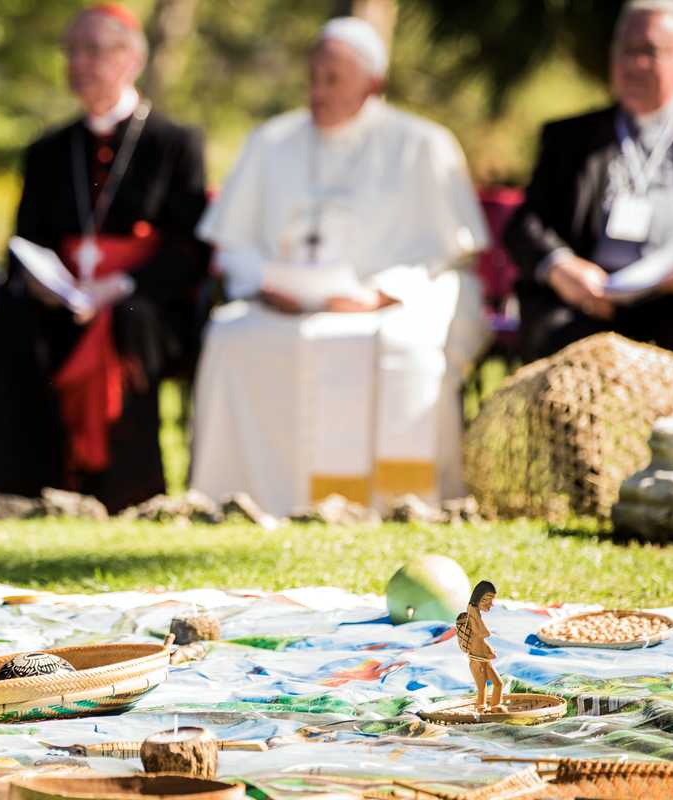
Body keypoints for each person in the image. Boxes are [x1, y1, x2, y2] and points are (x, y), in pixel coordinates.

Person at [190, 17, 489, 518]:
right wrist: (264, 283)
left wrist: (383, 294)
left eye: (333, 79)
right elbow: (233, 247)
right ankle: (244, 501)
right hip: (287, 306)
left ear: (372, 83)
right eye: (313, 77)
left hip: (390, 302)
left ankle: (400, 505)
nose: (317, 91)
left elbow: (451, 253)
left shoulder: (421, 144)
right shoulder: (272, 141)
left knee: (407, 347)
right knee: (230, 334)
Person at [0, 4, 210, 513]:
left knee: (127, 321)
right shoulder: (48, 150)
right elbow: (25, 242)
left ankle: (126, 493)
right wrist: (39, 283)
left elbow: (190, 247)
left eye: (93, 50)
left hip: (142, 300)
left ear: (133, 58)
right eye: (72, 51)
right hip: (64, 297)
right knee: (11, 324)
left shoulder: (175, 142)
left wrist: (117, 286)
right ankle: (19, 492)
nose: (79, 62)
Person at [506, 0, 673, 374]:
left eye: (648, 51)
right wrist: (561, 268)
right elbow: (525, 224)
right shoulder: (569, 139)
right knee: (562, 353)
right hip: (588, 302)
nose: (632, 64)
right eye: (623, 49)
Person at [455, 581, 503, 711]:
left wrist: (488, 649)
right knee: (482, 688)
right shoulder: (472, 610)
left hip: (482, 658)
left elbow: (479, 638)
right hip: (477, 660)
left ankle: (494, 707)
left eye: (491, 600)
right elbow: (482, 633)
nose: (490, 604)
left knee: (498, 684)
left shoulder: (475, 611)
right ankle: (483, 709)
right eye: (486, 600)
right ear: (478, 598)